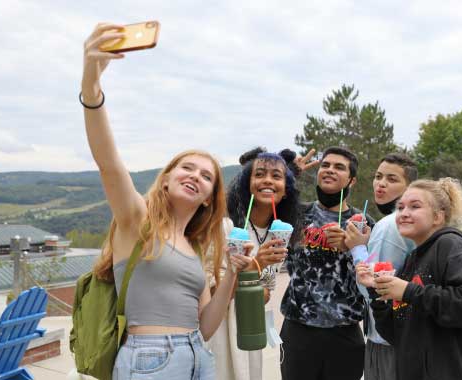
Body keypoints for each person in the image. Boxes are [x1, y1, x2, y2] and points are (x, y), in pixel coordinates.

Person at [81, 23, 252, 379]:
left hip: (197, 356)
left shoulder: (194, 248)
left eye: (206, 176)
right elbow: (108, 163)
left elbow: (205, 326)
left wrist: (233, 272)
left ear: (208, 199)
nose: (196, 176)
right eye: (186, 168)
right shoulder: (137, 221)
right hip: (150, 360)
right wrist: (91, 88)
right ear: (166, 180)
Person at [361, 178, 462, 380]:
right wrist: (377, 291)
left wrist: (408, 291)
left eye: (415, 206)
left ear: (438, 217)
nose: (404, 213)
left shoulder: (452, 245)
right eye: (400, 207)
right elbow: (396, 334)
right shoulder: (412, 260)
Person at [280, 146, 374, 380]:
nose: (330, 170)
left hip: (344, 334)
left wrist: (352, 247)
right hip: (298, 330)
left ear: (351, 181)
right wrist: (289, 173)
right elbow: (253, 199)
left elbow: (375, 278)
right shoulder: (296, 215)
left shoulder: (364, 224)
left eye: (339, 167)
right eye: (326, 165)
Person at [208, 147, 302, 380]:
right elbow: (210, 292)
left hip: (250, 329)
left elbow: (265, 295)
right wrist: (256, 263)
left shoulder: (277, 236)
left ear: (286, 191)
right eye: (259, 174)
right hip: (218, 331)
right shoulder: (225, 228)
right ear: (247, 183)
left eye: (276, 176)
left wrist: (262, 273)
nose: (267, 180)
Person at [344, 153, 417, 380]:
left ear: (410, 188)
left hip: (386, 341)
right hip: (408, 337)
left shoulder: (388, 226)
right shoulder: (410, 221)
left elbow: (371, 288)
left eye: (392, 179)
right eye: (378, 176)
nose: (381, 184)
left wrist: (357, 248)